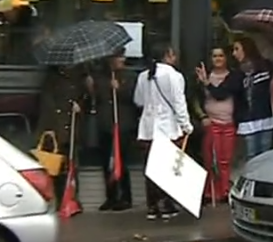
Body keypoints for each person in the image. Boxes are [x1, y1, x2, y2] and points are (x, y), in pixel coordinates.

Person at [134, 42, 192, 220]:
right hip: (167, 129)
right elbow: (178, 103)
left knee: (151, 168)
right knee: (167, 168)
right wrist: (186, 125)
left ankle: (153, 206)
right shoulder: (174, 76)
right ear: (167, 55)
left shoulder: (143, 76)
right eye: (173, 54)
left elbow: (139, 101)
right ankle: (166, 204)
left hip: (148, 129)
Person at [91, 49, 136, 212]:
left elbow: (134, 98)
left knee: (121, 161)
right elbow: (96, 100)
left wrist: (119, 89)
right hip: (106, 125)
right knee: (106, 163)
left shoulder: (129, 77)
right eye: (118, 57)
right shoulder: (100, 77)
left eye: (122, 56)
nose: (121, 60)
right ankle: (110, 197)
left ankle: (125, 197)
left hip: (122, 125)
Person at [36, 64, 86, 212]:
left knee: (73, 167)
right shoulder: (52, 80)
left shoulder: (78, 79)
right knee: (57, 168)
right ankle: (59, 200)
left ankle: (72, 199)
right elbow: (47, 104)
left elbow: (84, 98)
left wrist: (80, 105)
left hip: (72, 127)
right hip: (57, 129)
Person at [194, 46, 238, 204]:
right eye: (214, 56)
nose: (218, 59)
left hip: (228, 124)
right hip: (211, 124)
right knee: (209, 160)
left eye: (221, 55)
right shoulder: (204, 77)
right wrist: (202, 116)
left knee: (224, 160)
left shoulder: (233, 76)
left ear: (226, 58)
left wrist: (207, 83)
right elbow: (195, 100)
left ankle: (224, 191)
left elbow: (221, 94)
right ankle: (209, 193)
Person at [231, 37, 273, 160]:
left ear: (247, 49)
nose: (234, 53)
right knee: (251, 158)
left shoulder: (266, 66)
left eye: (237, 49)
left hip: (266, 117)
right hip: (247, 120)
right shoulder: (237, 73)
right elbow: (233, 91)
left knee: (266, 157)